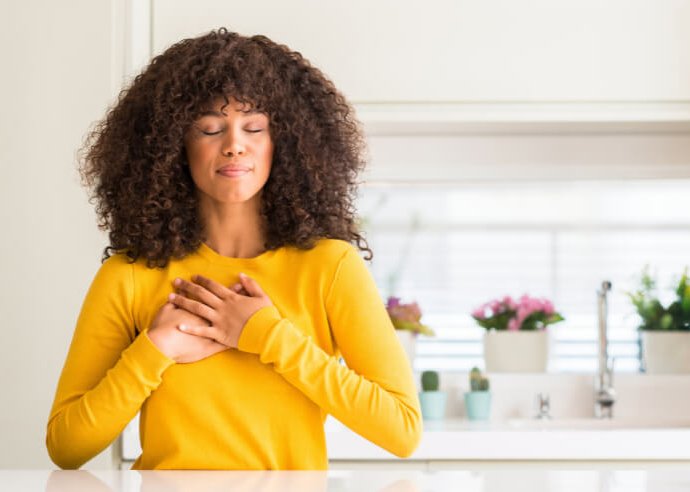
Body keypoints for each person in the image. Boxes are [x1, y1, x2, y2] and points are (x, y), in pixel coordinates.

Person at [46, 27, 422, 470]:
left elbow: (401, 430)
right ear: (172, 146)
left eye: (254, 127)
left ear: (284, 142)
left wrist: (266, 335)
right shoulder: (132, 275)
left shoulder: (331, 266)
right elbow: (67, 447)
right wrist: (155, 348)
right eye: (209, 128)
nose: (233, 144)